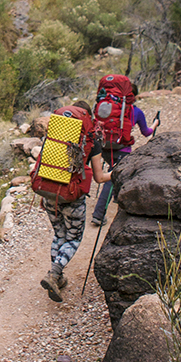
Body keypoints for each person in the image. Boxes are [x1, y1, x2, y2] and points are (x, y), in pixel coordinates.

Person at [39, 100, 111, 303]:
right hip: (72, 196)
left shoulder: (56, 134)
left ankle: (57, 277)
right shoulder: (91, 139)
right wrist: (117, 173)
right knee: (73, 238)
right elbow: (99, 177)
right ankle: (54, 274)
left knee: (58, 235)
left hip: (48, 192)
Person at [90, 84, 159, 229]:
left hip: (104, 147)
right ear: (133, 97)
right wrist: (155, 124)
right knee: (112, 177)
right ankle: (98, 214)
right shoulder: (136, 112)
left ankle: (116, 197)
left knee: (112, 170)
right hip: (122, 148)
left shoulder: (107, 108)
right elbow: (146, 132)